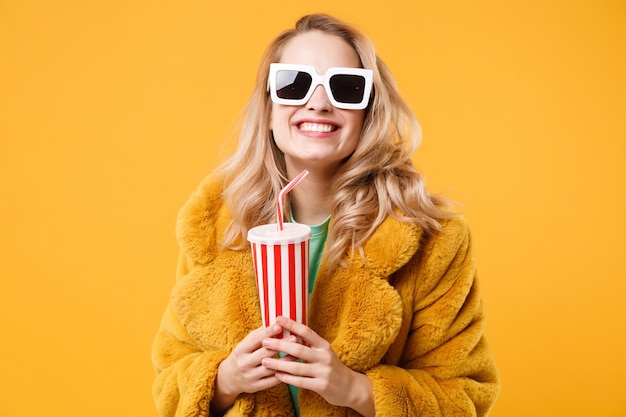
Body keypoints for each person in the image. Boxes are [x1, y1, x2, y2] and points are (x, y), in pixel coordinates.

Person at [152, 13, 500, 417]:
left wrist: (355, 389)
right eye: (294, 83)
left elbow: (465, 396)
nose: (318, 102)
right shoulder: (215, 227)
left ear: (368, 110)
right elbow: (169, 375)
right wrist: (226, 379)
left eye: (346, 87)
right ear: (268, 108)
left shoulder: (433, 240)